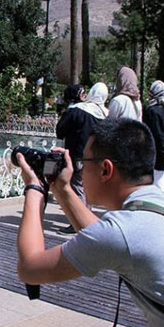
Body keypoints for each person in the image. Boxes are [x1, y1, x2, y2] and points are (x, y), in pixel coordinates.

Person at [15, 118, 164, 327]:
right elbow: (105, 237)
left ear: (105, 169)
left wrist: (34, 188)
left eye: (84, 162)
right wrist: (61, 189)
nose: (79, 170)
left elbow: (29, 268)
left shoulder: (123, 233)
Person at [55, 83, 109, 231]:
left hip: (78, 155)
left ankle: (77, 222)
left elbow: (61, 129)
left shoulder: (78, 111)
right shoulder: (105, 114)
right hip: (96, 158)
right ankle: (87, 217)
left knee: (77, 187)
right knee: (86, 187)